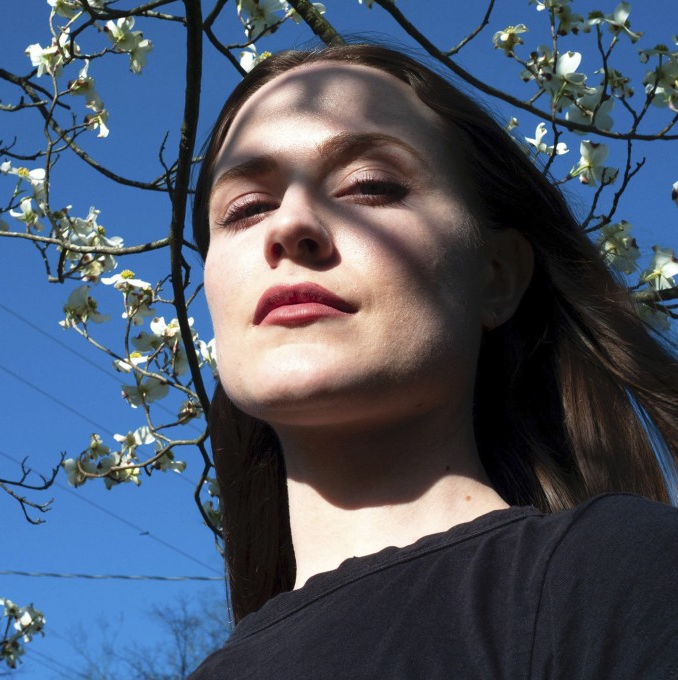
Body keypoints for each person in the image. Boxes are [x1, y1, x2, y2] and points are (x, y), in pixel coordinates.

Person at [188, 43, 678, 678]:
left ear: (497, 275)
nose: (291, 225)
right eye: (246, 209)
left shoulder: (617, 578)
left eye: (369, 186)